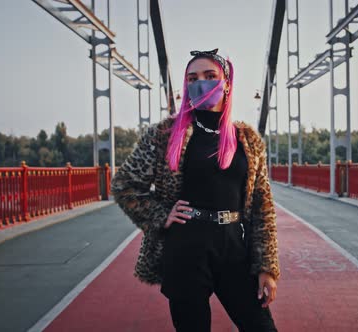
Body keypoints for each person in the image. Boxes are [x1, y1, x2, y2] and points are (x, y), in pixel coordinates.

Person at [111, 48, 280, 332]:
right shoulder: (164, 134)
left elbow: (263, 206)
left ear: (226, 83)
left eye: (209, 76)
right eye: (192, 78)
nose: (200, 83)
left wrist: (267, 266)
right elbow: (124, 184)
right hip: (186, 248)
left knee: (261, 326)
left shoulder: (247, 139)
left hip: (234, 247)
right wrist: (160, 215)